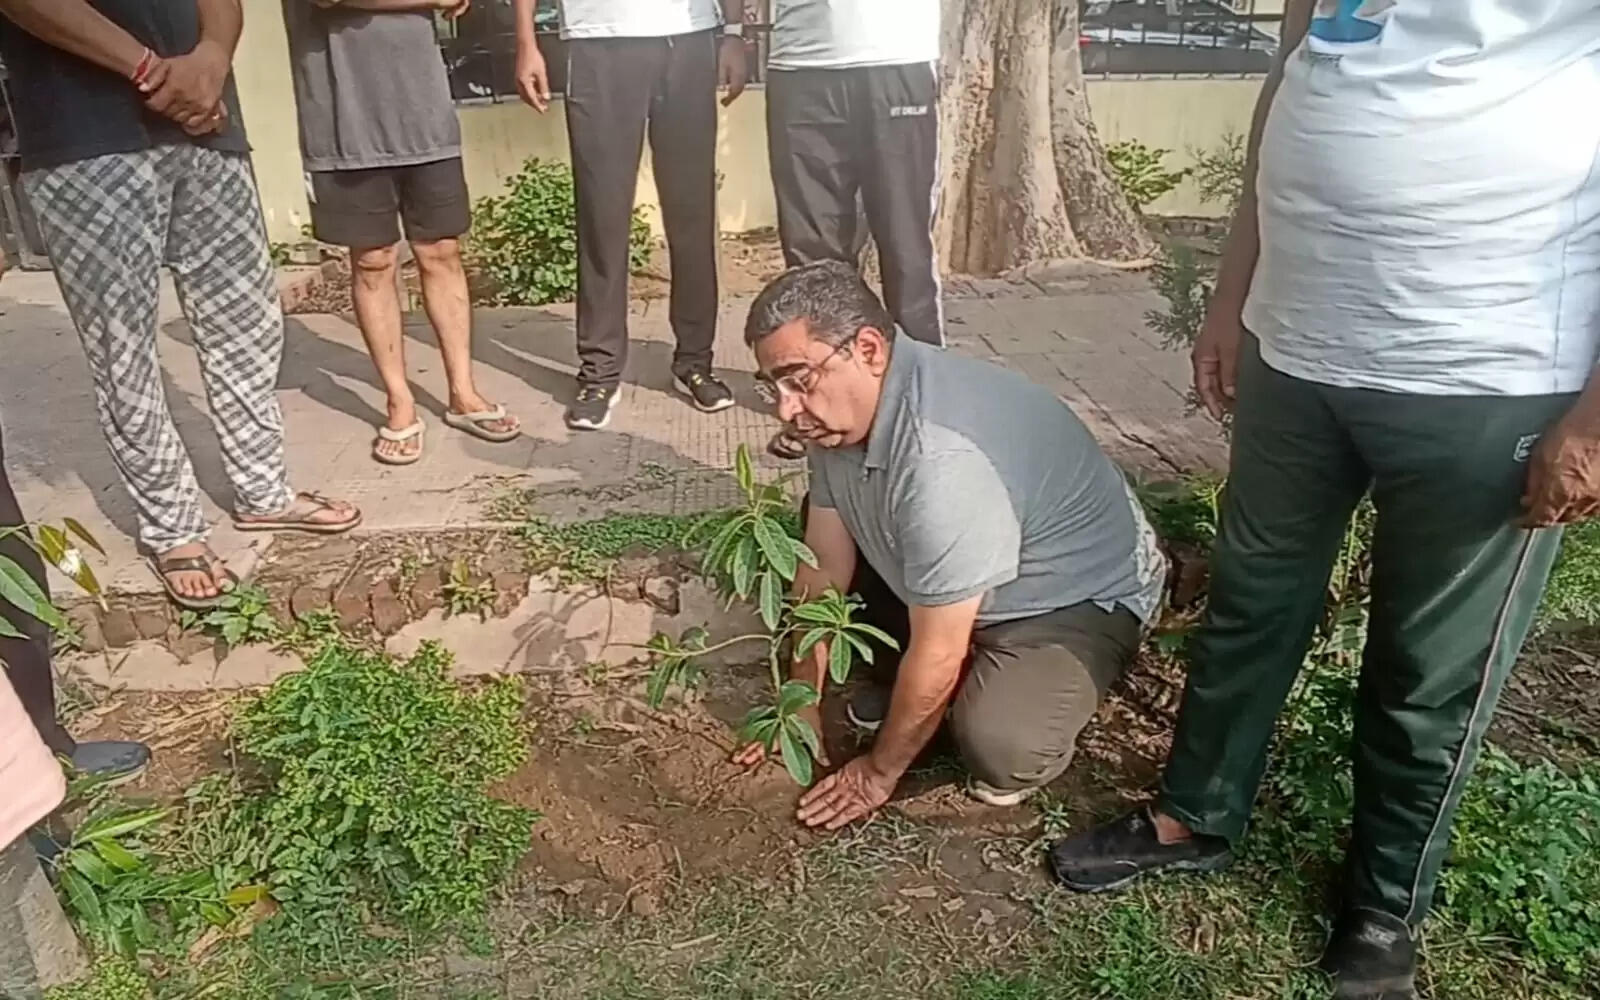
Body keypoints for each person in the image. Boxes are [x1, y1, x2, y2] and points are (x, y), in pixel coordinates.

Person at [1048, 2, 1600, 998]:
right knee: (1250, 602)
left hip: (1487, 372)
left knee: (1428, 668)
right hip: (1293, 347)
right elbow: (1292, 82)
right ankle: (1193, 813)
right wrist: (1232, 295)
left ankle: (1383, 908)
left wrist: (1594, 419)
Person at [735, 261, 1166, 821]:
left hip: (1067, 599)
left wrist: (877, 773)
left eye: (799, 379)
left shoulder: (944, 463)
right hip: (965, 568)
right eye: (773, 386)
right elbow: (822, 568)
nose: (785, 410)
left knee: (1002, 746)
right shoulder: (839, 413)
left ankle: (990, 690)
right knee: (835, 544)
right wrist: (800, 703)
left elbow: (937, 650)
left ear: (868, 349)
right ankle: (947, 685)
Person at [0, 0, 361, 610]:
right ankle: (174, 529)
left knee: (246, 323)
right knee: (125, 349)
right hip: (86, 135)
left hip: (209, 123)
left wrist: (212, 60)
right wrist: (150, 70)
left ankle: (264, 492)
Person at [284, 0, 521, 466]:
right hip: (344, 124)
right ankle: (399, 401)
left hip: (425, 113)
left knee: (442, 252)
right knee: (373, 260)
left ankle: (463, 393)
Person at [513, 0, 747, 431]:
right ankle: (599, 372)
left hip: (687, 39)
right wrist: (526, 41)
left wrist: (732, 32)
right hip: (597, 43)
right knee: (602, 216)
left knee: (692, 213)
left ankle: (695, 360)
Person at [762, 0, 944, 460]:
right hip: (800, 63)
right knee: (811, 262)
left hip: (894, 58)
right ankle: (819, 407)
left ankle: (927, 409)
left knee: (905, 249)